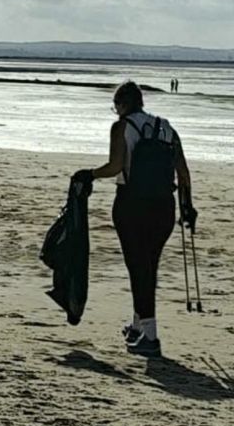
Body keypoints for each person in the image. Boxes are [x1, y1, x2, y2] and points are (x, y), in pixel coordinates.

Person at [72, 81, 196, 356]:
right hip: (164, 205)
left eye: (115, 106)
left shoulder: (122, 127)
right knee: (149, 264)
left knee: (137, 267)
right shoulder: (166, 127)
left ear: (122, 104)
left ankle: (150, 335)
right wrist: (187, 206)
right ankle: (139, 325)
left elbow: (115, 166)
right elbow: (184, 173)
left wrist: (89, 174)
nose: (115, 111)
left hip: (131, 203)